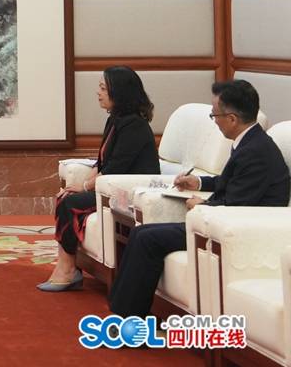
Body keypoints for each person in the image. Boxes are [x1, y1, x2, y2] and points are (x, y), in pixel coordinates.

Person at [109, 80, 291, 317]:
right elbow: (232, 182)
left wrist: (203, 206)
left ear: (232, 119)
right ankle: (121, 313)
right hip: (222, 219)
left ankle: (128, 319)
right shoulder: (250, 142)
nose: (214, 121)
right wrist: (199, 182)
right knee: (140, 233)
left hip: (239, 230)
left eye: (215, 115)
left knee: (146, 238)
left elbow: (238, 205)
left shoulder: (256, 152)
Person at [38, 65, 159, 291]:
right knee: (66, 198)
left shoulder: (134, 125)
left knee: (70, 203)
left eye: (103, 88)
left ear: (119, 92)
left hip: (127, 192)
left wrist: (85, 187)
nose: (98, 92)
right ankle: (69, 267)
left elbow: (116, 168)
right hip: (108, 187)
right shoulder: (115, 119)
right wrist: (80, 185)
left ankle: (68, 270)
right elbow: (102, 162)